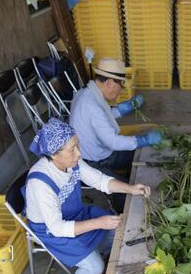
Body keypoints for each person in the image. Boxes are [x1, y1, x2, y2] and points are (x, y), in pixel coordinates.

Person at [24, 118, 150, 274]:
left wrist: (130, 189)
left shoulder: (71, 162)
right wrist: (99, 223)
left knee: (118, 229)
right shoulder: (40, 183)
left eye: (78, 145)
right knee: (94, 268)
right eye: (72, 149)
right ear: (54, 154)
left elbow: (99, 180)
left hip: (76, 215)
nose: (79, 153)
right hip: (52, 230)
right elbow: (57, 228)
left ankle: (97, 252)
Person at [69, 57, 162, 186]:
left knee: (140, 153)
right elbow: (113, 142)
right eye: (121, 85)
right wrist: (143, 139)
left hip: (96, 152)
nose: (121, 90)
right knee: (126, 191)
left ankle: (128, 172)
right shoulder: (92, 106)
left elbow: (101, 118)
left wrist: (124, 108)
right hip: (92, 163)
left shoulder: (85, 94)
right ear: (109, 83)